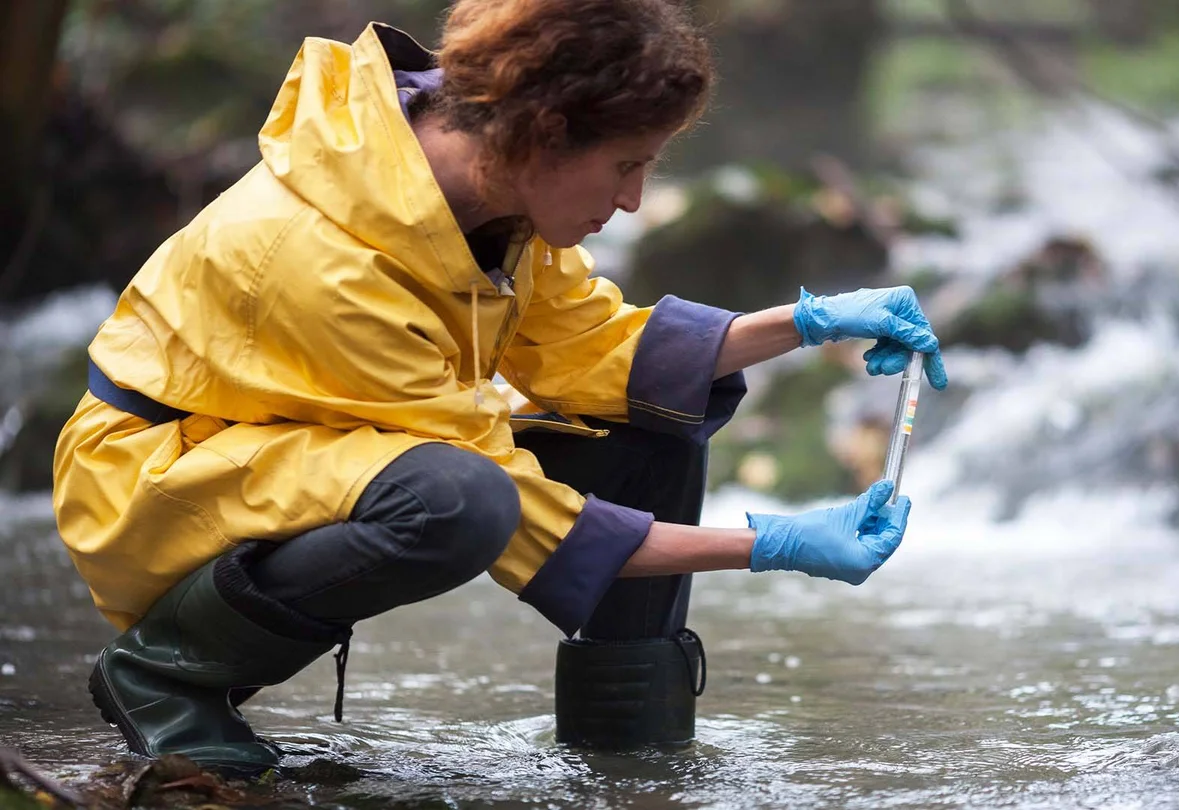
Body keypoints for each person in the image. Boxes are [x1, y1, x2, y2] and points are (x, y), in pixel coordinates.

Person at [52, 0, 948, 777]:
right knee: (457, 501)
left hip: (289, 450)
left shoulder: (494, 186)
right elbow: (514, 515)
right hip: (160, 481)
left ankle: (629, 733)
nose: (634, 201)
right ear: (545, 134)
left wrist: (809, 323)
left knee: (645, 417)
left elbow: (590, 351)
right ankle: (168, 673)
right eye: (627, 165)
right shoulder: (326, 265)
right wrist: (768, 544)